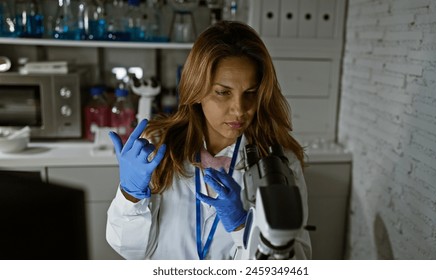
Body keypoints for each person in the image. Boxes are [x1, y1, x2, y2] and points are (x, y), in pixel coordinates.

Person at [106, 21, 311, 260]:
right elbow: (132, 250)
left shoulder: (280, 164)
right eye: (223, 92)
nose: (239, 109)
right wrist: (130, 195)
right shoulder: (158, 147)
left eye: (250, 93)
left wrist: (242, 226)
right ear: (197, 89)